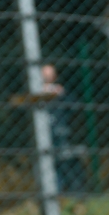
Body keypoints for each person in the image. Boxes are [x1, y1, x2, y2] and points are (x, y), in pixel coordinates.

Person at [40, 64, 86, 194]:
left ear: (55, 77)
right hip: (43, 135)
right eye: (44, 76)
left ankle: (74, 193)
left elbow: (75, 107)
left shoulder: (61, 94)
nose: (47, 79)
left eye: (50, 76)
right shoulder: (34, 94)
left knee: (66, 163)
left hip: (60, 134)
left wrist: (62, 94)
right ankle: (54, 194)